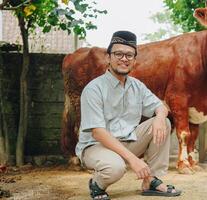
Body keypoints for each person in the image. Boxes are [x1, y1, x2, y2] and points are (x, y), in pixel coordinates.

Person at [75, 30, 181, 200]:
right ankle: (97, 184)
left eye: (129, 55)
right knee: (115, 168)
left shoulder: (137, 86)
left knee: (164, 123)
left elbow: (160, 106)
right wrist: (134, 160)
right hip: (96, 146)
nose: (124, 58)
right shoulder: (94, 89)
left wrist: (161, 117)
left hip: (128, 140)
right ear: (108, 57)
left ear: (134, 61)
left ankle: (150, 181)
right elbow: (97, 132)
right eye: (118, 53)